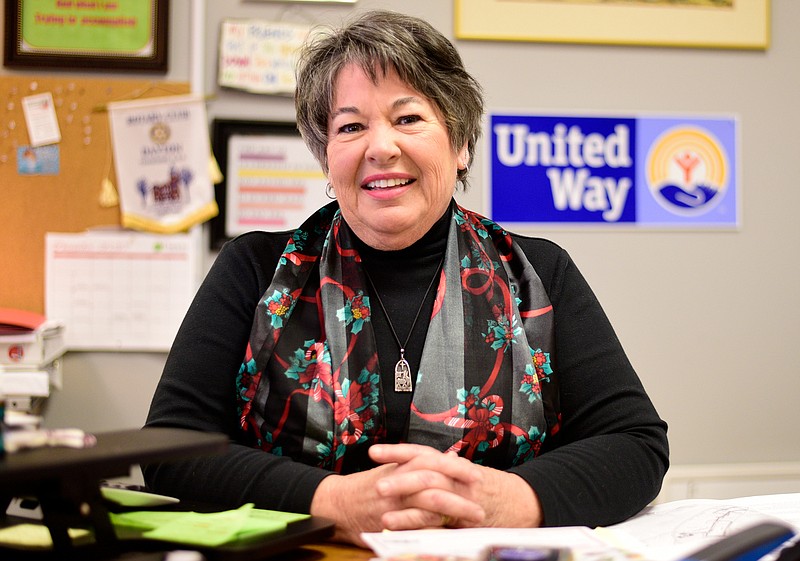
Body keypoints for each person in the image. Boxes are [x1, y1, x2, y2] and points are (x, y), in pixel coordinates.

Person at [143, 10, 668, 547]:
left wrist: (506, 501)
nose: (380, 147)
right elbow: (170, 449)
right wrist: (331, 503)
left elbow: (635, 443)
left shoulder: (538, 274)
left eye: (408, 118)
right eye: (350, 126)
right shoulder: (254, 270)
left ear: (460, 144)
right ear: (327, 157)